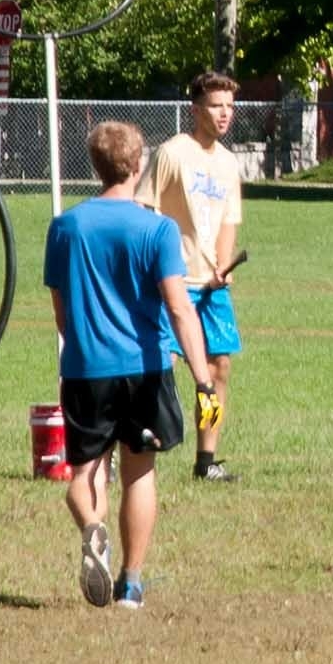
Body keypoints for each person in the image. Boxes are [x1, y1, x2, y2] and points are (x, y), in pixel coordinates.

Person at [54, 120, 219, 609]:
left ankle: (93, 527)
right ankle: (131, 583)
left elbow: (62, 312)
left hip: (86, 369)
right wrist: (203, 380)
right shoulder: (158, 229)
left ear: (95, 165)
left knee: (85, 476)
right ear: (138, 163)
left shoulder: (66, 227)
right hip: (145, 368)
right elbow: (179, 308)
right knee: (139, 473)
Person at [139, 72, 246, 482]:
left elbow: (228, 220)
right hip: (173, 284)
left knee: (218, 370)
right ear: (196, 109)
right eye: (217, 106)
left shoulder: (228, 163)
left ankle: (206, 460)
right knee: (157, 368)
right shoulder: (172, 153)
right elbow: (144, 210)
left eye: (230, 107)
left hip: (211, 288)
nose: (225, 114)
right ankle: (131, 449)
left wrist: (223, 265)